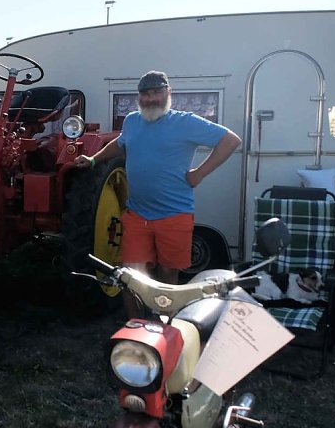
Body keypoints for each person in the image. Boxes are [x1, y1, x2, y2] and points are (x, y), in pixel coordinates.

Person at [72, 70, 241, 302]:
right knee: (130, 276)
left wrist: (199, 173)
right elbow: (119, 144)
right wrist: (93, 159)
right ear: (138, 96)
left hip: (174, 215)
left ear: (168, 93)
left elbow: (230, 140)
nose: (151, 98)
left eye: (156, 92)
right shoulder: (132, 120)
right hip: (136, 214)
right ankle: (134, 323)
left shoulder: (185, 122)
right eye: (145, 94)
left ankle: (160, 321)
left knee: (167, 274)